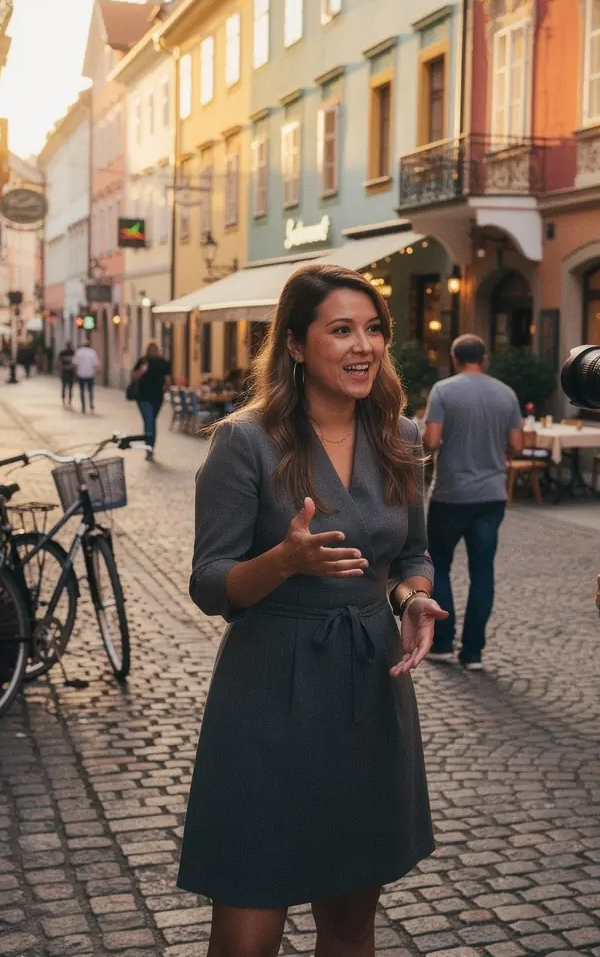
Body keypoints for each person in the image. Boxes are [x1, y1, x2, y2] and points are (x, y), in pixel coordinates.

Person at [180, 264, 447, 957]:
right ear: (296, 345)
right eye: (341, 331)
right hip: (266, 690)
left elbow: (410, 556)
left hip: (369, 685)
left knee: (353, 921)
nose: (364, 346)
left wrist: (413, 599)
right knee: (246, 929)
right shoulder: (247, 441)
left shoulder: (402, 437)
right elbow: (210, 583)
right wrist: (283, 561)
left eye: (373, 330)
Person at [422, 334, 523, 671]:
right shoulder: (506, 393)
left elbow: (432, 440)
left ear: (454, 358)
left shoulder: (443, 390)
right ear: (485, 358)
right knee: (483, 573)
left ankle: (442, 643)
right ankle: (473, 652)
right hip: (491, 495)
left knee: (439, 566)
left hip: (450, 494)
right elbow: (518, 446)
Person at [131, 340, 173, 461]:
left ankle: (150, 446)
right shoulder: (142, 361)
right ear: (148, 350)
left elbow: (168, 379)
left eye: (155, 350)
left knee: (151, 421)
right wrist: (142, 370)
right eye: (151, 350)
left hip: (157, 397)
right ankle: (149, 448)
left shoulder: (162, 363)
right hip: (143, 397)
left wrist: (165, 388)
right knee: (149, 421)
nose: (153, 352)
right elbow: (134, 377)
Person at [72, 338, 100, 413]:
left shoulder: (78, 352)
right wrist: (97, 371)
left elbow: (75, 364)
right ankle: (91, 403)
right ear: (88, 345)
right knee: (90, 390)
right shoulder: (92, 352)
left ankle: (83, 406)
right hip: (90, 374)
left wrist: (75, 373)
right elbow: (96, 364)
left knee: (82, 391)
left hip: (81, 374)